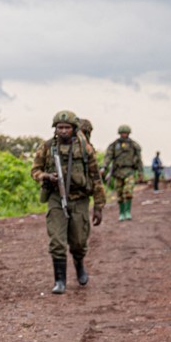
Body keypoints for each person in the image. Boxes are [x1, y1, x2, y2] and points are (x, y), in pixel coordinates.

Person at [31, 111, 105, 294]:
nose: (63, 131)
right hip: (56, 197)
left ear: (74, 129)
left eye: (67, 128)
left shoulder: (85, 148)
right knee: (57, 241)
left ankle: (79, 264)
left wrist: (98, 207)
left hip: (79, 199)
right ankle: (60, 281)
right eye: (60, 128)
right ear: (55, 129)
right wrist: (46, 176)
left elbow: (96, 178)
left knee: (79, 242)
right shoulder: (48, 147)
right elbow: (35, 171)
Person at [102, 124, 143, 221]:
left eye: (126, 133)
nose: (124, 135)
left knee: (128, 191)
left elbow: (139, 160)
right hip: (118, 172)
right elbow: (108, 156)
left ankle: (128, 212)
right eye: (122, 133)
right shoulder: (114, 145)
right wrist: (104, 167)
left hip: (130, 171)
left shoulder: (134, 145)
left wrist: (140, 173)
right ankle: (122, 212)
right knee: (119, 193)